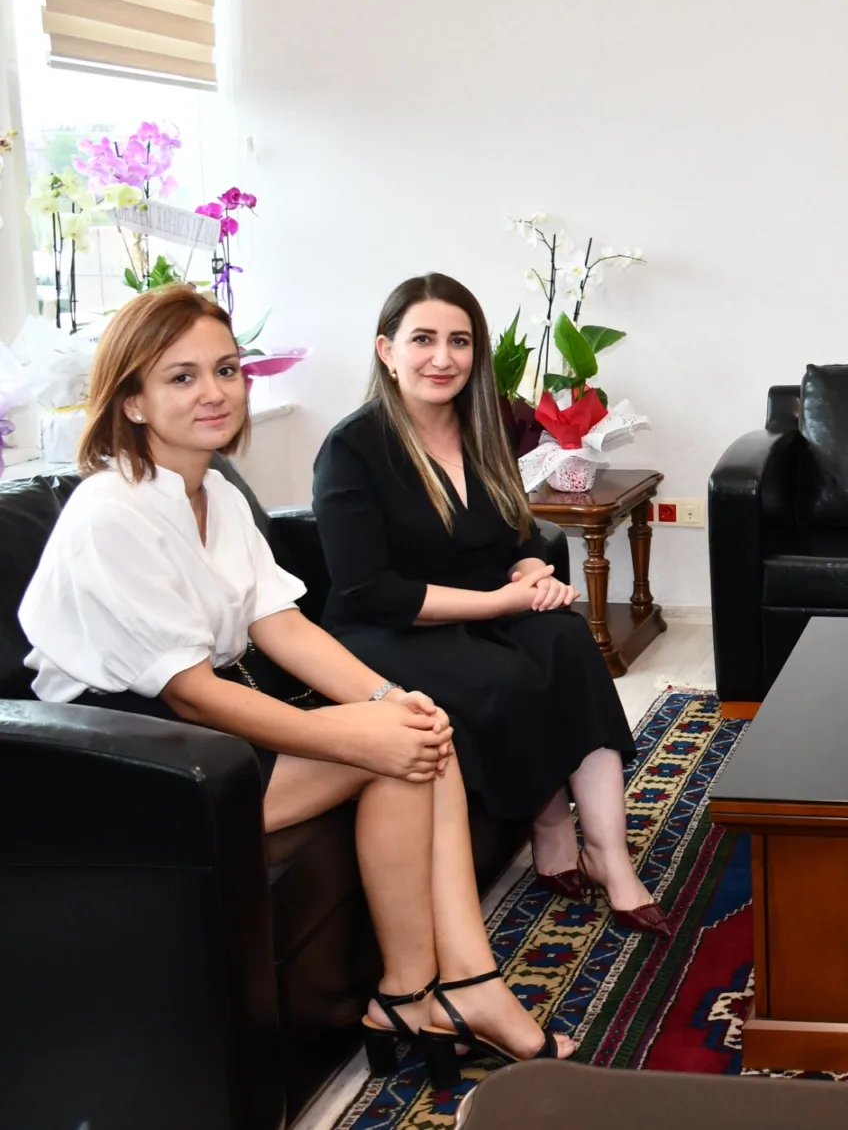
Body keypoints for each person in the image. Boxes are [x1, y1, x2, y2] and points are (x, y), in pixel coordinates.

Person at [21, 285, 571, 1085]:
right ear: (131, 400)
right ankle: (456, 989)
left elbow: (281, 625)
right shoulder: (112, 512)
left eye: (226, 369)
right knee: (399, 748)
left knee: (417, 733)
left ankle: (416, 990)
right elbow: (188, 692)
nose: (214, 392)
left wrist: (386, 700)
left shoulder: (214, 492)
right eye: (181, 377)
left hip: (201, 719)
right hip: (124, 759)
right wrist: (349, 730)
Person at [312, 273, 671, 936]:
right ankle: (550, 824)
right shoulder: (352, 448)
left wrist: (531, 567)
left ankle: (610, 855)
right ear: (387, 350)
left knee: (570, 642)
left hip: (485, 603)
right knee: (505, 677)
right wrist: (502, 601)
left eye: (459, 341)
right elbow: (368, 590)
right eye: (423, 339)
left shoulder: (486, 428)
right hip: (389, 627)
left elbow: (521, 529)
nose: (442, 357)